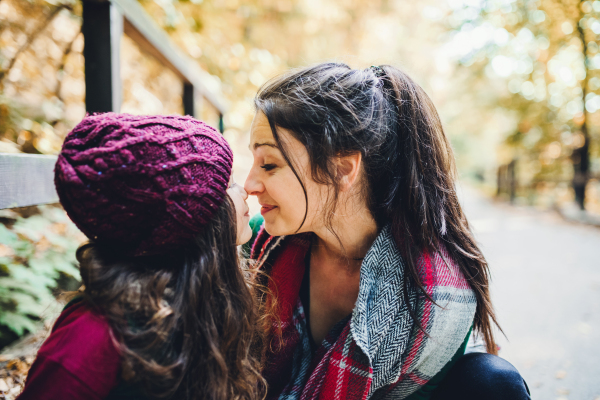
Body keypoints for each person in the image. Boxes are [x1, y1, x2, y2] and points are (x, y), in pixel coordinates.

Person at [244, 63, 531, 400]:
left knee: (493, 381)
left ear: (341, 169)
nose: (249, 184)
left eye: (269, 165)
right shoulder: (256, 245)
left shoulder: (433, 297)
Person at [17, 113, 264, 400]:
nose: (244, 190)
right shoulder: (93, 335)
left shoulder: (199, 298)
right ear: (185, 220)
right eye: (227, 183)